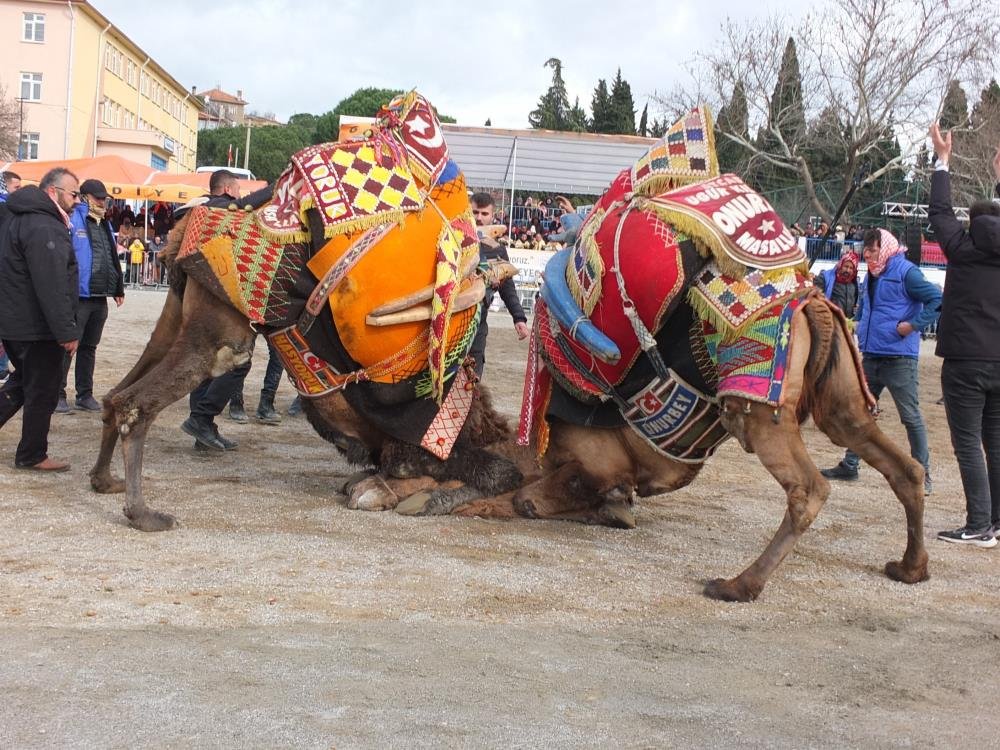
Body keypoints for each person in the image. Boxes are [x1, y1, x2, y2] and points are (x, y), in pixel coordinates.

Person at [820, 228, 942, 493]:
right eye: (866, 250)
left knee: (910, 417)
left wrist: (912, 326)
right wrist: (857, 326)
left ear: (884, 247)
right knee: (859, 412)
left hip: (899, 358)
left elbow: (937, 300)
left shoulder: (907, 272)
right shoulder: (872, 275)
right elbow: (866, 309)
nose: (868, 255)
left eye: (873, 250)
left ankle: (923, 475)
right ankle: (850, 465)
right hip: (872, 354)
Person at [927, 123, 1000, 547]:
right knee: (996, 441)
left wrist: (943, 160)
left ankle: (978, 525)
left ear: (971, 223)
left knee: (968, 442)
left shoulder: (961, 248)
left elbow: (939, 212)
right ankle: (996, 521)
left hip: (965, 361)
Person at [180, 169, 273, 451]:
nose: (241, 195)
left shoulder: (201, 211)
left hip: (202, 302)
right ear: (228, 189)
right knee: (238, 362)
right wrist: (276, 188)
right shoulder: (216, 209)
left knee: (207, 366)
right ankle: (201, 419)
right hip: (216, 305)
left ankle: (203, 429)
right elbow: (243, 206)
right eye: (238, 190)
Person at [0, 168, 80, 471]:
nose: (77, 200)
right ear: (52, 191)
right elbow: (52, 283)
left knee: (22, 383)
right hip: (36, 327)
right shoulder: (44, 225)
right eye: (74, 194)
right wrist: (66, 330)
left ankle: (32, 452)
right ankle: (32, 454)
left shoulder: (17, 218)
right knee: (43, 390)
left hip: (17, 322)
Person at [57, 179, 125, 414]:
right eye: (98, 198)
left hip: (99, 296)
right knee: (68, 347)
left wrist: (118, 288)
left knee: (89, 348)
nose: (103, 202)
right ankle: (57, 394)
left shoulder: (104, 222)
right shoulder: (72, 219)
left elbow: (111, 257)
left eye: (104, 198)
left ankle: (84, 394)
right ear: (85, 197)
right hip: (79, 296)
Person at [467, 192, 528, 379]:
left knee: (472, 379)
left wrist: (519, 318)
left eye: (484, 213)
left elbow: (507, 287)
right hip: (449, 323)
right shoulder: (451, 242)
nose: (479, 218)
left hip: (478, 324)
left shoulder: (497, 250)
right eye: (475, 212)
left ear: (492, 216)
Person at [814, 248, 860, 318]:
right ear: (841, 265)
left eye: (851, 268)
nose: (848, 270)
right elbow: (816, 296)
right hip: (830, 320)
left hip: (847, 321)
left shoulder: (854, 283)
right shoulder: (826, 277)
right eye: (846, 266)